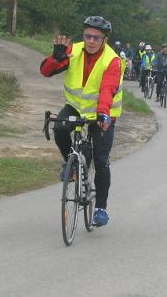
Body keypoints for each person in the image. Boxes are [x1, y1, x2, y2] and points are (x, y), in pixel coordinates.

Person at [40, 16, 123, 227]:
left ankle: (101, 208)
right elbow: (46, 72)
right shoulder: (74, 50)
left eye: (96, 37)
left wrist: (103, 113)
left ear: (104, 39)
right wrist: (55, 58)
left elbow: (108, 89)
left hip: (102, 113)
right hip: (76, 107)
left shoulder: (112, 60)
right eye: (88, 36)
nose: (91, 41)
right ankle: (72, 165)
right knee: (59, 128)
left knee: (101, 161)